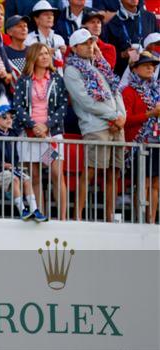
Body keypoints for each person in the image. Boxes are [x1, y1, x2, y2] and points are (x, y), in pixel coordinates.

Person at [64, 29, 126, 222]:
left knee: (114, 172)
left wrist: (121, 116)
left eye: (92, 43)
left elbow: (116, 91)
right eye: (85, 43)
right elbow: (84, 101)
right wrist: (114, 116)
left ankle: (109, 216)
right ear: (75, 48)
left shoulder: (101, 65)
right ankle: (78, 216)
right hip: (95, 126)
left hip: (116, 125)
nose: (90, 46)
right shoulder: (71, 70)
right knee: (90, 171)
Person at [14, 42, 68, 220]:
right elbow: (18, 107)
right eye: (41, 54)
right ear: (33, 57)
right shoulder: (24, 80)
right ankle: (40, 213)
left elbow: (62, 106)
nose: (46, 56)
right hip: (30, 135)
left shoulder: (56, 79)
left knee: (56, 173)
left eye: (47, 53)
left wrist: (47, 126)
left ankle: (62, 217)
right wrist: (32, 125)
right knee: (35, 175)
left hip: (50, 136)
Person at [0, 95, 46, 221]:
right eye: (4, 117)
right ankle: (22, 210)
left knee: (27, 179)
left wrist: (13, 164)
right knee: (15, 180)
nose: (9, 119)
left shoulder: (12, 134)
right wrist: (1, 164)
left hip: (11, 169)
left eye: (11, 117)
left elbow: (15, 156)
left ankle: (34, 210)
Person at [122, 52, 160, 223]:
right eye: (146, 65)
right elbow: (126, 120)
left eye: (152, 65)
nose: (150, 68)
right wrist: (150, 113)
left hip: (156, 142)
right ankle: (141, 220)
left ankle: (151, 221)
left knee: (156, 184)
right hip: (139, 143)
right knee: (143, 183)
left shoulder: (156, 90)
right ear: (135, 69)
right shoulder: (128, 91)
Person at [103, 0, 158, 76]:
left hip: (149, 73)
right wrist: (123, 54)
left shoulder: (150, 17)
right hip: (123, 74)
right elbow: (107, 54)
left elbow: (156, 42)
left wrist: (150, 47)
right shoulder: (111, 23)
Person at [25, 1, 66, 74]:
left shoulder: (59, 39)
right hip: (38, 81)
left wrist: (65, 54)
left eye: (52, 15)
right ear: (36, 19)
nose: (50, 17)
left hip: (58, 80)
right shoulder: (28, 40)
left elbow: (63, 63)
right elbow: (28, 63)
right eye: (45, 14)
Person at [4, 15, 29, 91]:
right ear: (9, 32)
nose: (24, 28)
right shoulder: (3, 52)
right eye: (19, 26)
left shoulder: (32, 50)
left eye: (25, 26)